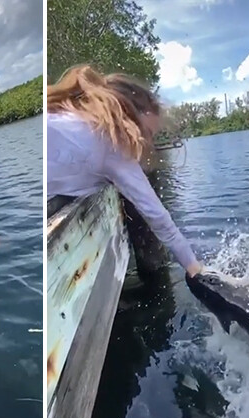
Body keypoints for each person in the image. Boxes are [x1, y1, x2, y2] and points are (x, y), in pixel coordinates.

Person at [47, 65, 203, 277]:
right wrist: (195, 269)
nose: (147, 142)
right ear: (130, 115)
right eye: (146, 132)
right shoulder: (114, 144)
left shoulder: (68, 112)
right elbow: (159, 218)